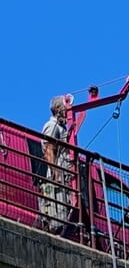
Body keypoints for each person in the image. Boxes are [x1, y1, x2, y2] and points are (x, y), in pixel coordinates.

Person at [39, 94, 74, 233]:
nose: (67, 111)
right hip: (58, 174)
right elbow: (49, 149)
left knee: (63, 204)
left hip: (63, 173)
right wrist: (56, 172)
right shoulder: (52, 126)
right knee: (57, 206)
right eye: (66, 107)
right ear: (58, 108)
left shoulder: (60, 127)